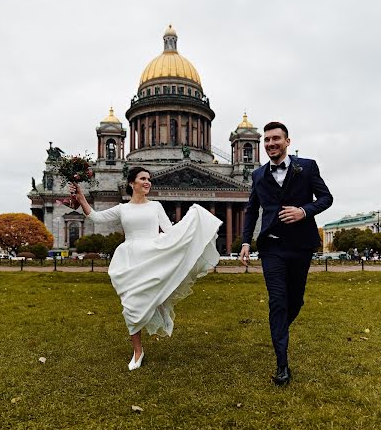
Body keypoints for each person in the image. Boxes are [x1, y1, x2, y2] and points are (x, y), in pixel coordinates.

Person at [71, 167, 222, 371]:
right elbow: (96, 217)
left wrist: (191, 222)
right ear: (132, 183)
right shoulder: (123, 208)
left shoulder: (156, 206)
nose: (147, 182)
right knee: (130, 306)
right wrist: (81, 198)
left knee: (151, 298)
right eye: (143, 179)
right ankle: (138, 351)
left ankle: (157, 316)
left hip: (153, 256)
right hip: (130, 259)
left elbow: (169, 231)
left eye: (149, 179)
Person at [240, 122, 333, 386]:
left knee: (295, 302)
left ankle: (278, 329)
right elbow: (251, 210)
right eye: (267, 140)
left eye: (275, 139)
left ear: (287, 141)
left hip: (300, 245)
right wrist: (246, 242)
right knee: (277, 302)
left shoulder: (307, 167)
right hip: (272, 247)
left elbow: (326, 198)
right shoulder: (258, 175)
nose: (270, 144)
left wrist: (304, 211)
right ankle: (282, 365)